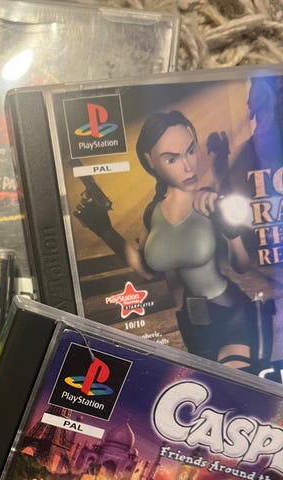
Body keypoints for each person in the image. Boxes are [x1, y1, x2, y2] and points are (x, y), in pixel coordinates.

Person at [75, 110, 258, 369]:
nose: (188, 166)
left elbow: (242, 265)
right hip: (191, 322)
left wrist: (231, 231)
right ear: (150, 161)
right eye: (172, 159)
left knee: (229, 385)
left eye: (191, 151)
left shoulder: (208, 201)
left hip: (230, 314)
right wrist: (105, 231)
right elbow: (147, 271)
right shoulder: (153, 213)